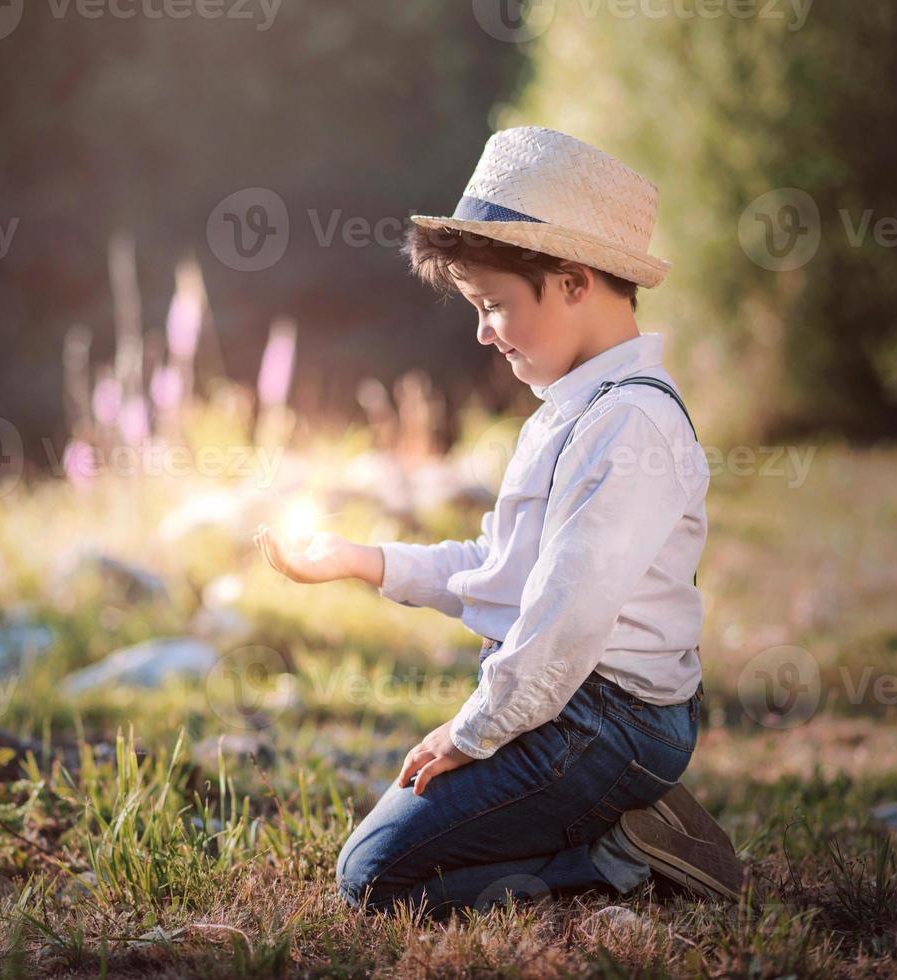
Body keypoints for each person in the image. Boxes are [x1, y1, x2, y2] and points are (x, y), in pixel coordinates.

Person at [255, 126, 747, 917]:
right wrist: (361, 559)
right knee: (385, 855)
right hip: (577, 704)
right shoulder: (570, 411)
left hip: (611, 722)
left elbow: (567, 617)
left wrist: (473, 731)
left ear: (575, 280)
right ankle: (599, 826)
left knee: (375, 879)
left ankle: (616, 853)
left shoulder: (631, 428)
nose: (483, 331)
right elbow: (505, 563)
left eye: (494, 306)